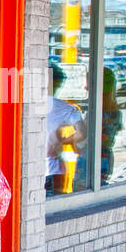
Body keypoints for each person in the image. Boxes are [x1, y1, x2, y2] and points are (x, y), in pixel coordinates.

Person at [45, 62, 85, 193]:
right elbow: (82, 132)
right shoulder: (66, 109)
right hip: (52, 169)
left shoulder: (21, 104)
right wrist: (60, 142)